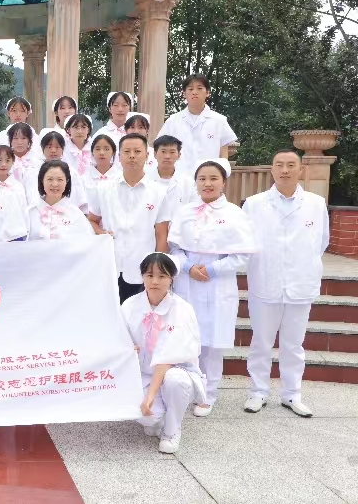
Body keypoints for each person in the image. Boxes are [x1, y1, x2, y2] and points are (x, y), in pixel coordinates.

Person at [243, 149, 329, 418]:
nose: (285, 170)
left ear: (300, 170)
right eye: (279, 165)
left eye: (291, 165)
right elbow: (245, 242)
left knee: (293, 344)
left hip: (300, 283)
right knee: (261, 342)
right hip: (264, 281)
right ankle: (258, 391)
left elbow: (321, 242)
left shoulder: (316, 204)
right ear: (272, 169)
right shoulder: (254, 204)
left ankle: (292, 394)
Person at [168, 159, 256, 417]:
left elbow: (243, 254)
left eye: (213, 178)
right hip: (187, 280)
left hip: (218, 282)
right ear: (195, 183)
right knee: (186, 336)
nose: (207, 183)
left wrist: (213, 269)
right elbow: (174, 248)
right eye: (202, 178)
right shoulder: (184, 212)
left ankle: (208, 393)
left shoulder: (235, 214)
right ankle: (184, 389)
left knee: (213, 341)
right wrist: (188, 267)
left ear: (223, 182)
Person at [121, 252, 205, 454]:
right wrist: (127, 348)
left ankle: (172, 430)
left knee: (176, 380)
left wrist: (150, 395)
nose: (155, 281)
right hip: (141, 373)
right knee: (147, 418)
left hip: (174, 371)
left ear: (172, 278)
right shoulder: (129, 306)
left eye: (162, 276)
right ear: (142, 276)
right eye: (149, 275)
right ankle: (159, 420)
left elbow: (167, 358)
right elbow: (119, 340)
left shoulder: (182, 309)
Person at [88, 133, 171, 303]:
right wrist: (101, 233)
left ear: (147, 155)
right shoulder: (103, 188)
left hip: (142, 268)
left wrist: (158, 270)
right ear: (119, 156)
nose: (132, 156)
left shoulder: (159, 192)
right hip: (110, 266)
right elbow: (91, 220)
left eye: (137, 151)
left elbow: (161, 235)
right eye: (127, 152)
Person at [157, 74, 238, 177]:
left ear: (207, 92)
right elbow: (160, 148)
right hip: (178, 179)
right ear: (184, 94)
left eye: (199, 88)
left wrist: (221, 177)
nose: (194, 92)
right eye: (190, 89)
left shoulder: (219, 121)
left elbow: (224, 157)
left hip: (208, 180)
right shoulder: (172, 121)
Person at [27, 161, 93, 241]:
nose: (55, 184)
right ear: (42, 180)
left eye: (60, 179)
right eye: (50, 179)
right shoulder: (30, 213)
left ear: (67, 181)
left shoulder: (76, 214)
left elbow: (86, 243)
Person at [24, 132, 87, 213]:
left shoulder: (71, 172)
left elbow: (79, 199)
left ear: (63, 149)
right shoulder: (33, 172)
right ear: (42, 148)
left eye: (57, 147)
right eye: (49, 147)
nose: (53, 151)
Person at [145, 135, 196, 219]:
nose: (167, 156)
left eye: (172, 152)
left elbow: (194, 210)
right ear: (155, 154)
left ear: (179, 155)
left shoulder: (188, 182)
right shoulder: (145, 180)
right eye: (163, 151)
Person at [0, 145, 27, 210]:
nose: (3, 164)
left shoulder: (17, 186)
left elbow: (23, 210)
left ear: (13, 162)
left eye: (7, 160)